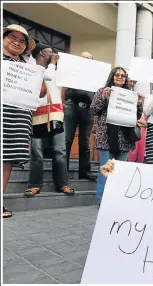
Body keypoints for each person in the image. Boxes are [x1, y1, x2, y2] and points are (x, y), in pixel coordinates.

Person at [2, 24, 48, 218]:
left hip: (18, 117)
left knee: (7, 160)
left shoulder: (28, 66)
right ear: (4, 38)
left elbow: (42, 91)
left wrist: (36, 76)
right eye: (13, 37)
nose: (17, 42)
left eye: (21, 41)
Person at [23, 43, 74, 197]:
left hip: (57, 112)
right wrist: (52, 64)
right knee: (37, 151)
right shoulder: (32, 67)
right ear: (41, 54)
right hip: (38, 112)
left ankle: (62, 183)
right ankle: (34, 184)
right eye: (49, 53)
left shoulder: (58, 71)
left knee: (60, 150)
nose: (53, 56)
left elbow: (61, 88)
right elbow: (46, 76)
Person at [90, 67, 140, 206]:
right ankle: (102, 201)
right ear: (112, 76)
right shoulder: (102, 91)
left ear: (125, 79)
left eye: (123, 75)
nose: (119, 77)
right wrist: (103, 97)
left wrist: (139, 104)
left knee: (120, 172)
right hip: (106, 138)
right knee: (105, 170)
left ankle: (117, 201)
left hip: (124, 138)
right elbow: (94, 110)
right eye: (116, 74)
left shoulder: (130, 94)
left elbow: (135, 116)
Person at [63, 51, 97, 181]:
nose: (86, 60)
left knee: (85, 141)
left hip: (88, 109)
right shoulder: (72, 71)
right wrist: (62, 103)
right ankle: (63, 171)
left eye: (88, 58)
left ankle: (84, 172)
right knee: (67, 140)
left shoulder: (96, 75)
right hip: (71, 105)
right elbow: (63, 88)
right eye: (83, 58)